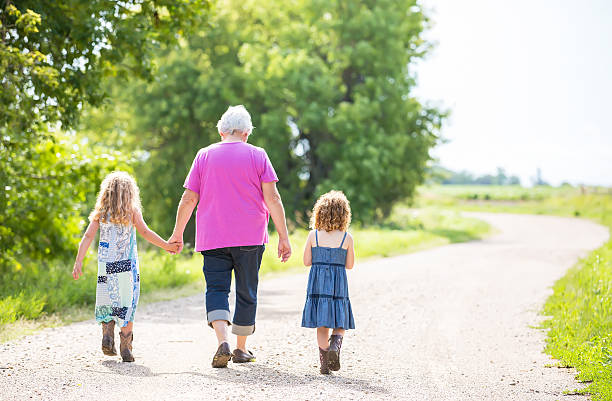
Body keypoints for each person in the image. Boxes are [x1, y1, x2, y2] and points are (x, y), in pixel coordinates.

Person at [168, 105, 292, 368]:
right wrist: (284, 236)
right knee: (246, 291)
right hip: (250, 237)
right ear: (246, 132)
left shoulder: (204, 155)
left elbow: (189, 198)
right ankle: (240, 348)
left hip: (212, 236)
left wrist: (177, 233)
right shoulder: (258, 155)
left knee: (217, 289)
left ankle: (221, 341)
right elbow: (273, 197)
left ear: (221, 131)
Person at [72, 171, 178, 362]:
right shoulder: (131, 212)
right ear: (130, 193)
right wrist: (167, 246)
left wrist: (79, 261)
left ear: (106, 193)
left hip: (106, 267)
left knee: (107, 301)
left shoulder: (100, 213)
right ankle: (126, 347)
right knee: (126, 303)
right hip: (126, 268)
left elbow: (87, 237)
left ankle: (107, 334)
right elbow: (145, 232)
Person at [301, 190, 355, 374]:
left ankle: (324, 365)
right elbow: (350, 265)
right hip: (338, 284)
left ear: (320, 212)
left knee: (322, 323)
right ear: (344, 215)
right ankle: (335, 346)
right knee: (340, 321)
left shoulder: (313, 236)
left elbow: (307, 261)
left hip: (318, 284)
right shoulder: (347, 238)